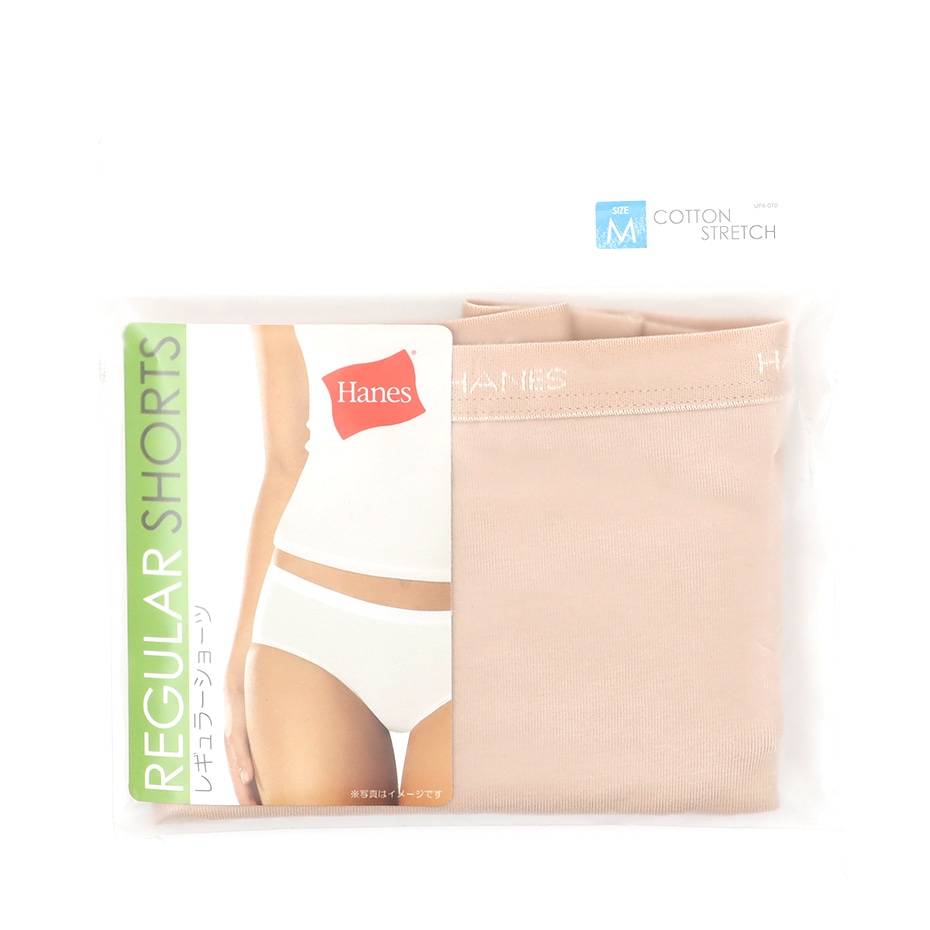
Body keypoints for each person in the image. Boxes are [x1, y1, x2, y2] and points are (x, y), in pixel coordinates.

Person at [223, 325, 452, 807]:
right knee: (329, 857)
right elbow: (285, 464)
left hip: (485, 636)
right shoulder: (280, 279)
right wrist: (237, 670)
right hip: (311, 634)